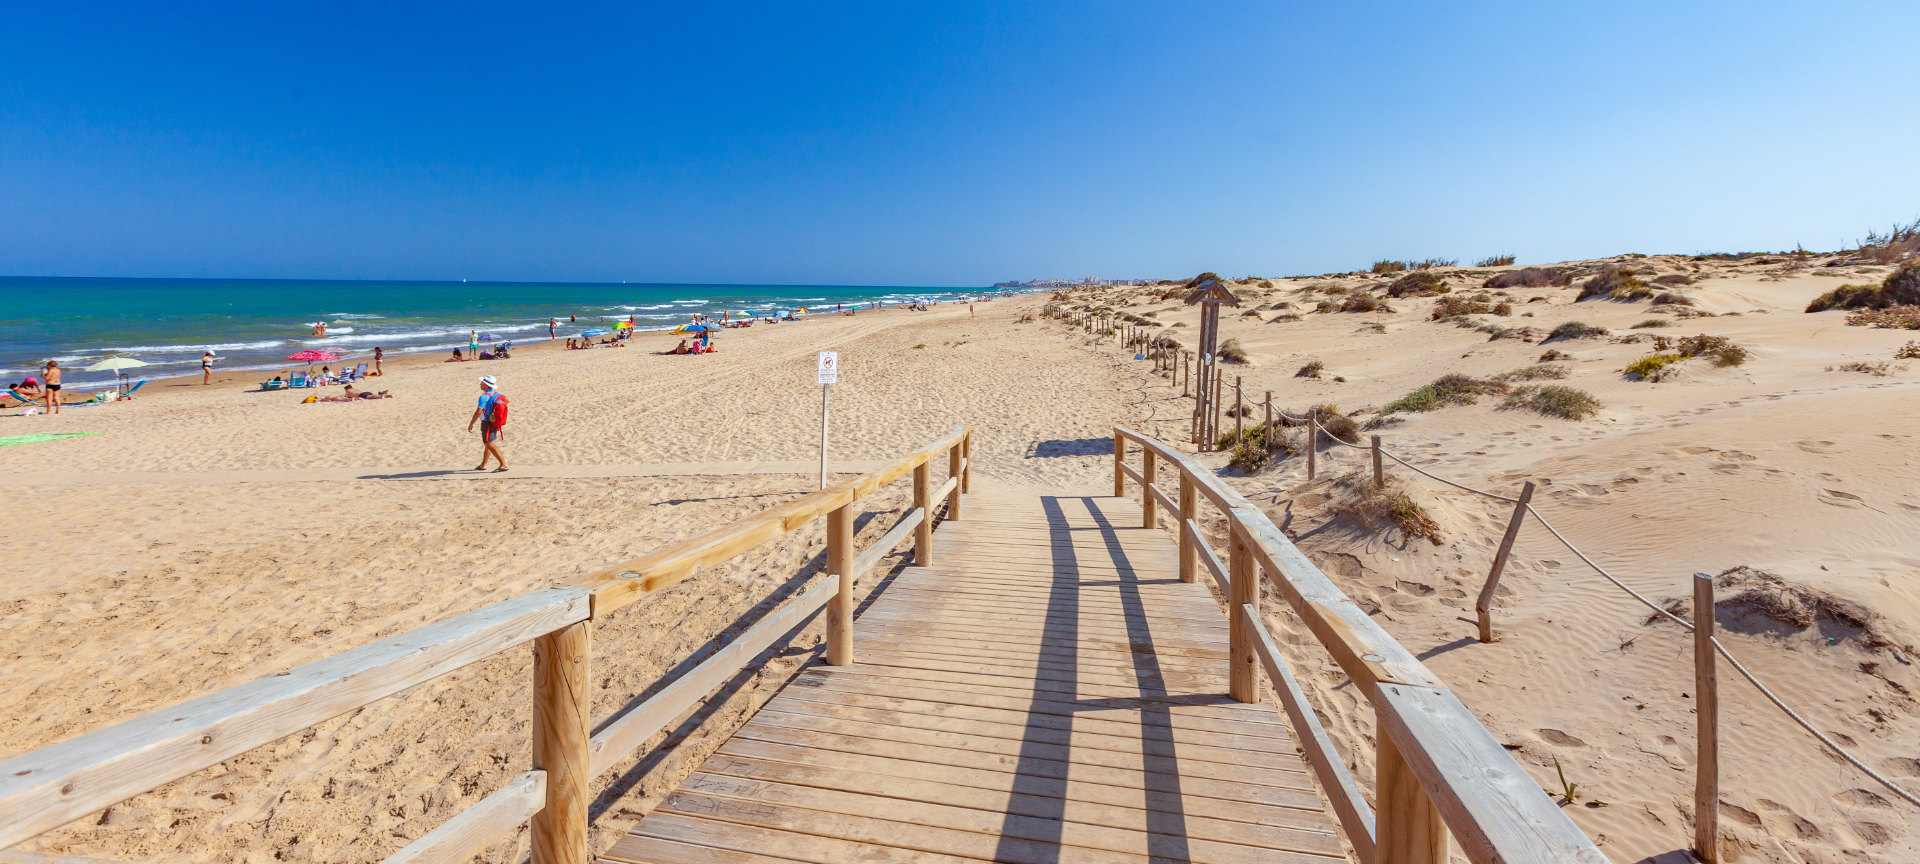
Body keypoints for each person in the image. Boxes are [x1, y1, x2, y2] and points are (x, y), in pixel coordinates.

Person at [469, 375, 508, 472]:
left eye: (482, 383)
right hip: (494, 421)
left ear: (486, 385)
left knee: (489, 444)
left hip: (487, 423)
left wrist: (471, 424)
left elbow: (478, 412)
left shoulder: (483, 397)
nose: (480, 384)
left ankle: (503, 464)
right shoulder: (495, 394)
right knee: (489, 443)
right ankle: (483, 465)